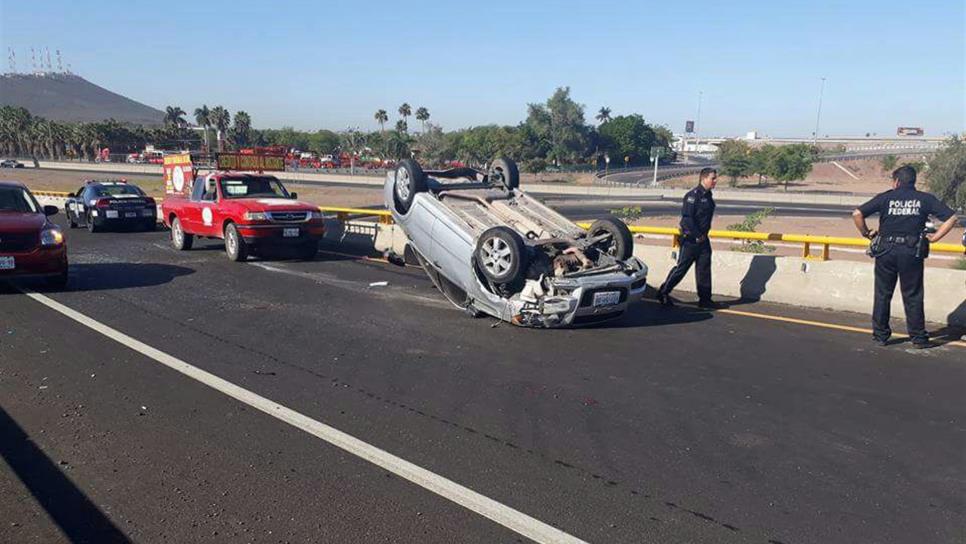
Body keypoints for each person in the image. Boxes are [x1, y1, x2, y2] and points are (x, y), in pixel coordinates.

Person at [852, 165, 958, 348]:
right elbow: (952, 218)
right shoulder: (924, 199)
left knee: (883, 294)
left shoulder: (886, 197)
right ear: (913, 181)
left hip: (885, 251)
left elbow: (857, 214)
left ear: (896, 181)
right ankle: (918, 338)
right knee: (913, 295)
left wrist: (866, 233)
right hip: (911, 252)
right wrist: (935, 238)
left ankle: (880, 335)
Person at [657, 168, 719, 308]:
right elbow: (687, 220)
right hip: (690, 240)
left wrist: (703, 237)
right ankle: (663, 292)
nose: (715, 181)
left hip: (703, 240)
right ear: (704, 179)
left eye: (715, 178)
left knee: (704, 270)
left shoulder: (708, 196)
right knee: (681, 269)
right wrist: (697, 236)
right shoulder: (692, 196)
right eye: (713, 178)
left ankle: (705, 300)